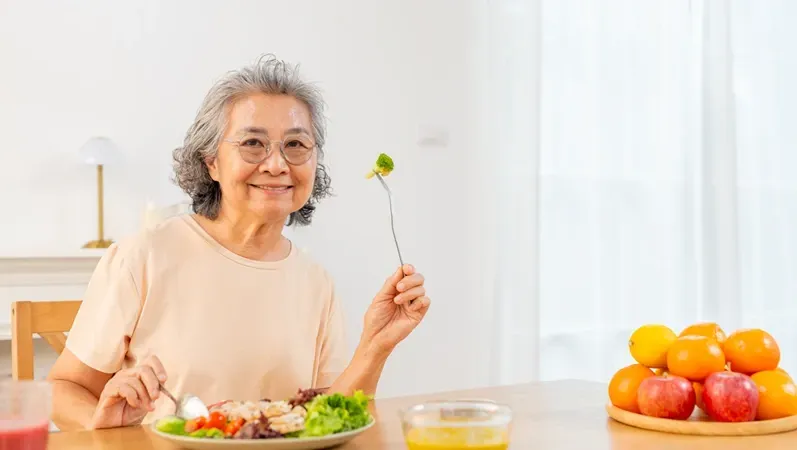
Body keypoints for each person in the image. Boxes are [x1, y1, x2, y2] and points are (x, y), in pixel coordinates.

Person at [46, 55, 431, 431]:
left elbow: (325, 422)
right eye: (252, 143)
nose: (277, 164)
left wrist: (375, 345)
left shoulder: (316, 282)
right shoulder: (142, 256)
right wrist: (97, 421)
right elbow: (65, 389)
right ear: (211, 161)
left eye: (296, 145)